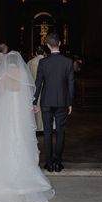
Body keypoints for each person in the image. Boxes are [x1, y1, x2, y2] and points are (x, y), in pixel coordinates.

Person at [0, 51, 54, 202]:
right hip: (18, 106)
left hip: (6, 105)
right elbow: (26, 92)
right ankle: (24, 169)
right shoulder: (21, 73)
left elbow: (1, 91)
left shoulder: (4, 73)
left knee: (1, 135)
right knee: (20, 135)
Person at [33, 32, 75, 173]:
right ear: (60, 44)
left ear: (47, 45)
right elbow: (71, 84)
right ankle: (58, 162)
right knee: (60, 132)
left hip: (46, 101)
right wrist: (70, 102)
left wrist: (34, 101)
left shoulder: (43, 62)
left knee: (47, 132)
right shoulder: (68, 62)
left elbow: (38, 83)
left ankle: (49, 163)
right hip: (62, 101)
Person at [27, 45, 47, 132]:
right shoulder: (47, 61)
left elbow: (27, 77)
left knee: (35, 105)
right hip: (46, 88)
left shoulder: (30, 62)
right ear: (44, 53)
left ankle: (36, 126)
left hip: (34, 88)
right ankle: (44, 126)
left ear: (35, 53)